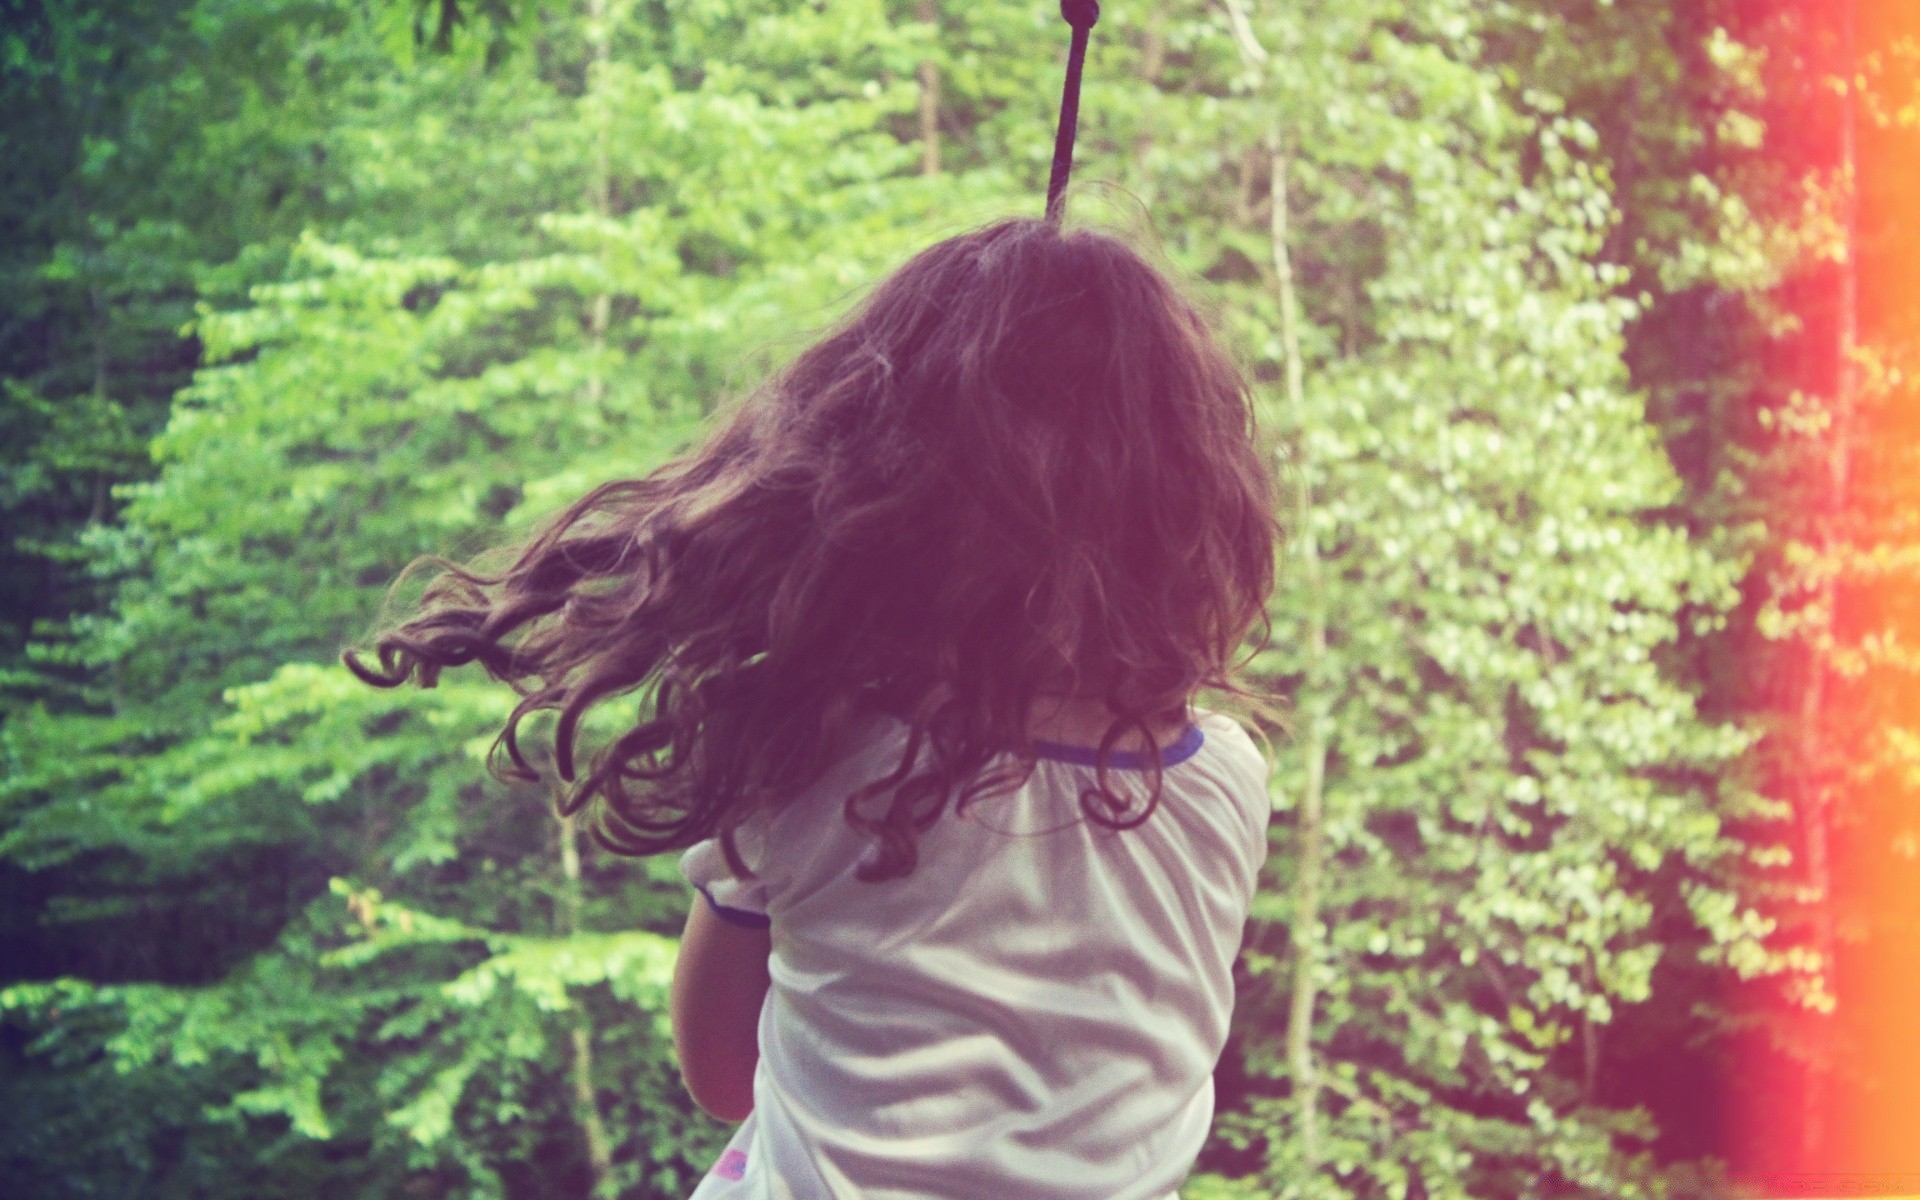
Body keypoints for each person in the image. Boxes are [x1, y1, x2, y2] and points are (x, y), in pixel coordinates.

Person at [349, 216, 1279, 1199]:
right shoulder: (1223, 781)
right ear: (1189, 512)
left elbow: (718, 1073)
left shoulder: (817, 747)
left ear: (877, 484)